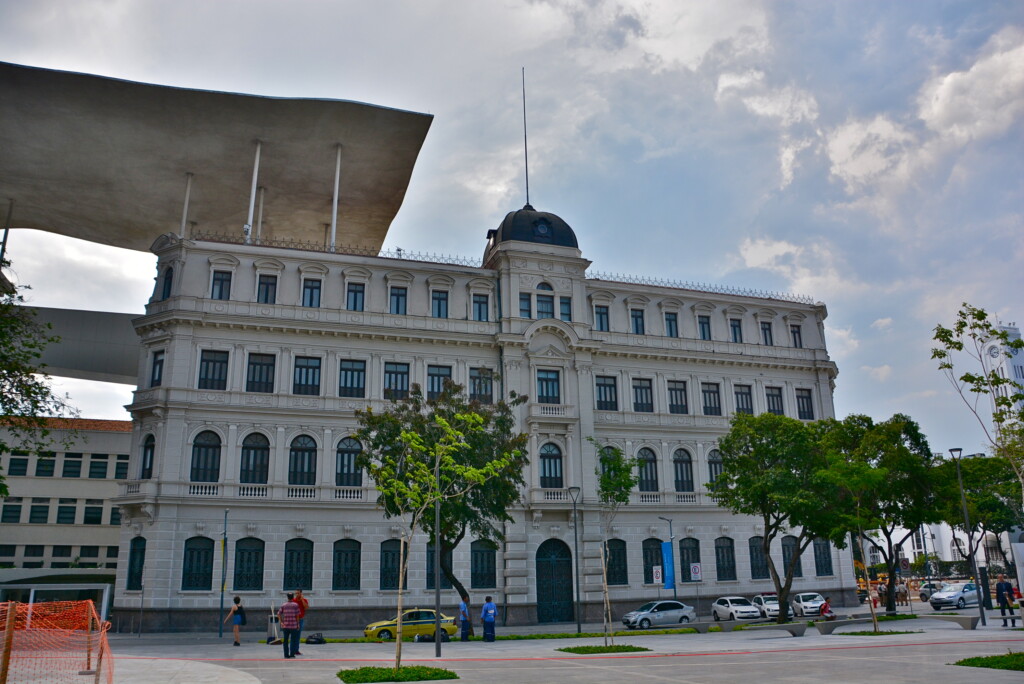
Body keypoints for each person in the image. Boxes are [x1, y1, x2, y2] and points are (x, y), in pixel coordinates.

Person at [278, 593, 301, 658]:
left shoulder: (284, 605)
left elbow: (279, 614)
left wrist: (281, 622)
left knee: (285, 640)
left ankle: (286, 655)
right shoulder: (295, 605)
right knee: (293, 640)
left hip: (286, 625)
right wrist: (298, 624)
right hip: (293, 625)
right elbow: (297, 615)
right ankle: (292, 654)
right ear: (293, 597)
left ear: (287, 597)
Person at [293, 588, 309, 655]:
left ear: (301, 593)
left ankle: (296, 650)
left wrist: (302, 599)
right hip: (293, 620)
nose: (297, 594)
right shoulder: (293, 600)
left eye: (298, 593)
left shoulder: (304, 600)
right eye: (296, 593)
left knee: (298, 635)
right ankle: (292, 650)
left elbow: (306, 607)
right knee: (293, 635)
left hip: (300, 619)